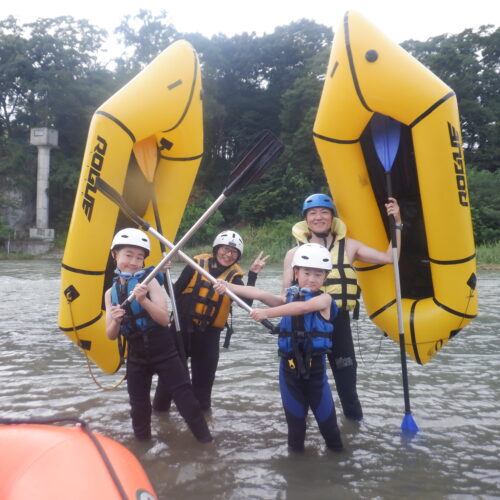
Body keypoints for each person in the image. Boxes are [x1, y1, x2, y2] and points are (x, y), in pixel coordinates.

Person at [282, 193, 402, 421]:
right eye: (313, 213)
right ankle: (306, 437)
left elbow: (389, 258)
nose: (318, 217)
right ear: (306, 220)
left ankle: (354, 430)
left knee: (348, 386)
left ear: (332, 217)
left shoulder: (350, 246)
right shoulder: (293, 254)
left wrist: (397, 223)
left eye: (324, 212)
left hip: (339, 322)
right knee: (307, 385)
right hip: (305, 324)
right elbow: (284, 294)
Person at [214, 243, 343, 451]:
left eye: (318, 275)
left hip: (316, 374)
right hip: (288, 371)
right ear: (296, 272)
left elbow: (302, 308)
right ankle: (296, 475)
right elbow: (260, 294)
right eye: (307, 273)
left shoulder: (325, 300)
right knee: (295, 432)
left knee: (330, 432)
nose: (312, 279)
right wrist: (227, 286)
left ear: (325, 277)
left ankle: (339, 469)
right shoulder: (288, 296)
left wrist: (266, 314)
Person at [104, 227, 213, 443]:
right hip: (136, 354)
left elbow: (164, 319)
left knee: (186, 400)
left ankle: (207, 444)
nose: (134, 262)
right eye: (128, 255)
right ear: (114, 255)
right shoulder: (110, 293)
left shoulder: (150, 281)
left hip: (163, 349)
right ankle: (143, 450)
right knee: (138, 407)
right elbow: (110, 335)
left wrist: (143, 300)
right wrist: (115, 320)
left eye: (139, 257)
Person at [153, 230, 269, 413]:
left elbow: (246, 305)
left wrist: (252, 275)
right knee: (167, 385)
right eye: (225, 249)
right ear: (216, 248)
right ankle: (160, 423)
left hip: (208, 338)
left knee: (203, 391)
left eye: (233, 252)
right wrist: (165, 273)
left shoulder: (235, 277)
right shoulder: (195, 265)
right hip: (180, 331)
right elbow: (174, 294)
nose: (228, 255)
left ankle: (204, 429)